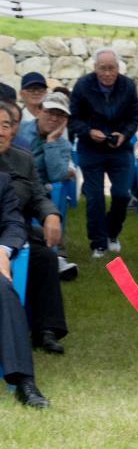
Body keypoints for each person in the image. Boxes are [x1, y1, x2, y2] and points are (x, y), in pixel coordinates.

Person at [0, 109, 69, 356]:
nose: (0, 132)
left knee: (45, 258)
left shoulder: (23, 159)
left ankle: (45, 330)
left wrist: (51, 214)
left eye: (6, 126)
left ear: (14, 130)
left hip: (15, 231)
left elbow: (38, 195)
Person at [69, 48, 138, 257]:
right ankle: (98, 243)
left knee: (121, 194)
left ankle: (112, 233)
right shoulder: (82, 85)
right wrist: (89, 131)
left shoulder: (127, 85)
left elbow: (134, 118)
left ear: (118, 68)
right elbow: (74, 119)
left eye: (112, 68)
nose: (108, 74)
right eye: (103, 69)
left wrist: (124, 135)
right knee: (95, 197)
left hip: (120, 148)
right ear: (95, 68)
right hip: (91, 148)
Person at [0, 172, 50, 408]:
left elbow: (14, 224)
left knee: (2, 286)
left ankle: (23, 381)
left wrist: (3, 249)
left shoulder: (2, 181)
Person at [18, 91, 74, 187]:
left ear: (65, 120)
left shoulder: (64, 146)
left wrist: (51, 141)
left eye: (60, 115)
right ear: (38, 112)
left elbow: (56, 176)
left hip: (35, 190)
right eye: (50, 112)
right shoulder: (20, 128)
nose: (54, 118)